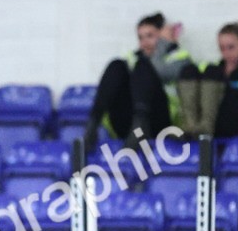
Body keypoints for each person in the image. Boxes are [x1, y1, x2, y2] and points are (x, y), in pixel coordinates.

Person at [83, 12, 193, 149]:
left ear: (162, 36)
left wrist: (163, 44)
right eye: (140, 37)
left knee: (143, 66)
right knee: (116, 65)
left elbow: (157, 72)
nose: (144, 42)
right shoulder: (131, 58)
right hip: (128, 124)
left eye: (150, 36)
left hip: (159, 123)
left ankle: (141, 125)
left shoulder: (180, 58)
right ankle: (93, 124)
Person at [178, 22, 238, 140]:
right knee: (190, 71)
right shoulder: (214, 71)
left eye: (231, 47)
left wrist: (231, 90)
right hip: (213, 134)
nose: (226, 53)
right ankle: (192, 128)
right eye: (222, 48)